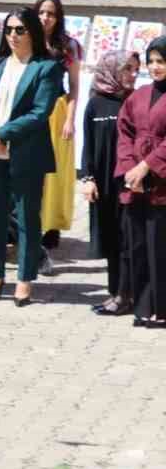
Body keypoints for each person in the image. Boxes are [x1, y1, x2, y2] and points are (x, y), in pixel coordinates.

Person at [0, 6, 62, 307]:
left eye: (20, 29)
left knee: (26, 217)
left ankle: (24, 279)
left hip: (25, 153)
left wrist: (3, 134)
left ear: (33, 32)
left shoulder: (46, 68)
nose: (13, 35)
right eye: (8, 30)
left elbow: (40, 112)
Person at [84, 51, 137, 316]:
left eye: (135, 69)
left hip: (127, 181)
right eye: (128, 68)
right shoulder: (95, 103)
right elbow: (89, 145)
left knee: (127, 238)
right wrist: (88, 178)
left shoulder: (135, 101)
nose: (133, 74)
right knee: (109, 238)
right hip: (102, 183)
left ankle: (127, 295)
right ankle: (115, 292)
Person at [118, 38, 166, 327]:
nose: (155, 67)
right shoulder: (137, 96)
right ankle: (143, 305)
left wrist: (148, 166)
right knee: (137, 246)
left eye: (161, 61)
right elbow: (123, 133)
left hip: (161, 183)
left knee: (160, 245)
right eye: (152, 61)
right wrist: (129, 171)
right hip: (135, 184)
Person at [37, 0, 81, 261]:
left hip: (57, 112)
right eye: (42, 12)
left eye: (51, 13)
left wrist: (70, 119)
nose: (45, 17)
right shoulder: (24, 38)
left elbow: (75, 84)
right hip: (30, 113)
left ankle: (51, 225)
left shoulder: (68, 46)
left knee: (55, 173)